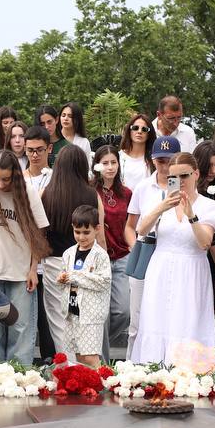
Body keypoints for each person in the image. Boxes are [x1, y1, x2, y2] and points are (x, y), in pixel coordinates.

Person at [131, 153, 215, 368]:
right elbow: (141, 230)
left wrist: (191, 215)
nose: (179, 181)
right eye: (173, 177)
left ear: (196, 174)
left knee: (188, 323)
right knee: (156, 322)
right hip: (160, 269)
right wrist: (162, 207)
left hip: (192, 271)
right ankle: (152, 369)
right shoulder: (161, 201)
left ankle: (189, 372)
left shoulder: (210, 206)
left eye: (184, 176)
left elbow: (205, 242)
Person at [0, 150, 50, 364]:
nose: (0, 184)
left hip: (21, 273)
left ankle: (20, 377)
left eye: (6, 179)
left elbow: (39, 233)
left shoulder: (28, 192)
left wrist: (34, 268)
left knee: (21, 331)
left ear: (15, 174)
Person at [40, 147, 103, 355]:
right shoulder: (92, 195)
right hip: (87, 262)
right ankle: (84, 364)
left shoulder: (46, 194)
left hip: (54, 263)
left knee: (58, 318)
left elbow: (39, 233)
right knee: (84, 316)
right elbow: (100, 235)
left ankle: (67, 364)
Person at [123, 134, 180, 357]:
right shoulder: (143, 187)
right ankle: (131, 365)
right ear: (153, 160)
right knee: (137, 318)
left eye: (170, 161)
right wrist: (135, 247)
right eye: (160, 161)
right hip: (146, 250)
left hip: (173, 253)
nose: (165, 166)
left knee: (169, 316)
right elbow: (130, 226)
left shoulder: (184, 188)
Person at [58, 204, 112, 368]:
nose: (81, 237)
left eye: (86, 232)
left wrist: (75, 276)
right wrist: (62, 279)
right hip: (72, 310)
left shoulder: (100, 255)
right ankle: (85, 382)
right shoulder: (68, 253)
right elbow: (64, 278)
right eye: (77, 232)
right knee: (79, 355)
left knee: (90, 357)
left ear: (97, 229)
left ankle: (100, 380)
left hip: (91, 313)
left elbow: (104, 281)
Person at [92, 144, 132, 354]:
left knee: (123, 312)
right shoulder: (90, 191)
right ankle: (101, 361)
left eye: (113, 162)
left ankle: (92, 343)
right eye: (105, 163)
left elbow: (131, 225)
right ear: (97, 165)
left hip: (122, 257)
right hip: (98, 259)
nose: (110, 167)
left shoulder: (126, 193)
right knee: (102, 315)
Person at [118, 113, 156, 190]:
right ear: (129, 131)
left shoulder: (154, 159)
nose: (139, 131)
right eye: (135, 128)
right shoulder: (118, 157)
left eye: (144, 129)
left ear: (149, 134)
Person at [23, 124, 52, 192]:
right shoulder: (19, 179)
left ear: (49, 148)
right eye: (30, 150)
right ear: (25, 149)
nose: (35, 155)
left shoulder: (56, 178)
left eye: (40, 150)